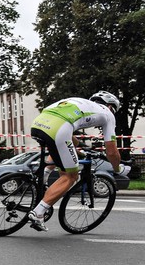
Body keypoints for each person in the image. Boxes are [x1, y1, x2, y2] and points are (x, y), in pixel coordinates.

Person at [28, 91, 131, 231]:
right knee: (71, 176)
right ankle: (38, 213)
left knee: (57, 146)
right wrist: (118, 168)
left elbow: (68, 137)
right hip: (59, 128)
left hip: (38, 123)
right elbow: (112, 151)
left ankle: (44, 176)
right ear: (110, 106)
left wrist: (82, 148)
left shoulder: (78, 101)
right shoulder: (108, 114)